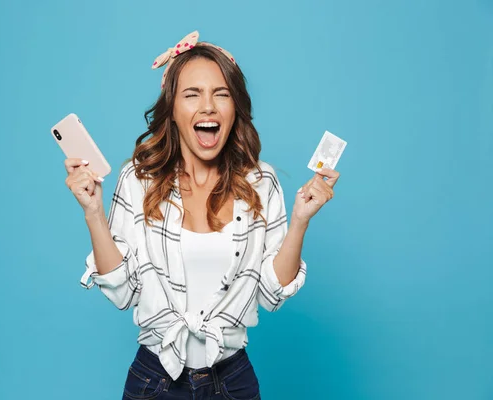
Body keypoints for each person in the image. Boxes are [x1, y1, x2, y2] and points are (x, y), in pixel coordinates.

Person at [64, 31, 340, 400]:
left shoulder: (262, 182)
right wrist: (94, 213)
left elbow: (272, 294)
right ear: (172, 110)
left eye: (221, 94)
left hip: (233, 381)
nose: (208, 107)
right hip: (154, 380)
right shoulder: (138, 179)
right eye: (192, 94)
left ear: (235, 108)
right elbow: (122, 292)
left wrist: (301, 219)